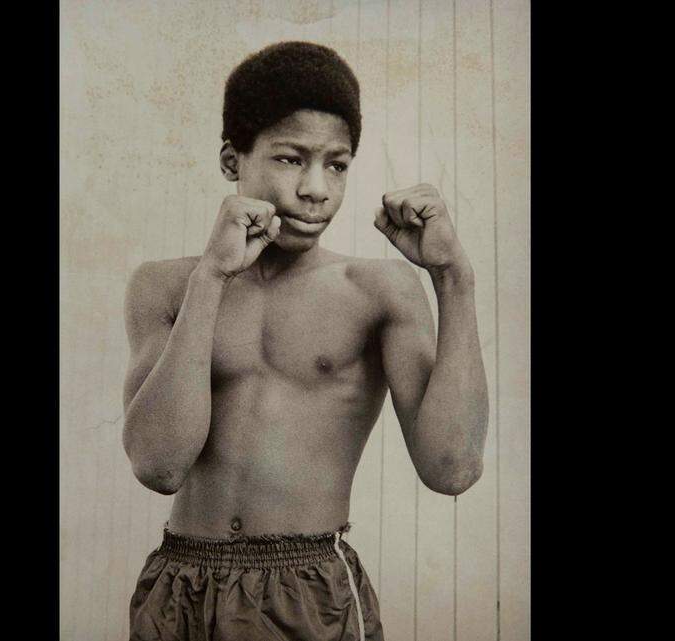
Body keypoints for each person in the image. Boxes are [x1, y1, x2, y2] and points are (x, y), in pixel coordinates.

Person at [122, 41, 488, 640]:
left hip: (308, 589)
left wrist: (453, 277)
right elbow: (159, 466)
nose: (316, 188)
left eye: (336, 165)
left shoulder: (378, 290)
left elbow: (452, 469)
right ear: (231, 159)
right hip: (180, 585)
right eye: (291, 159)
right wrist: (212, 276)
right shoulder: (163, 286)